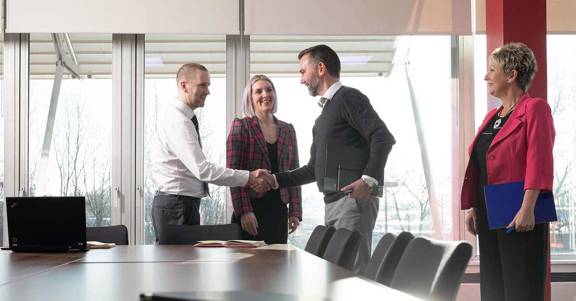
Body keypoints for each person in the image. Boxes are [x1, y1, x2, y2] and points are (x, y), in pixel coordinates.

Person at [273, 45, 395, 271]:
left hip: (352, 202)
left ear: (320, 68)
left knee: (352, 273)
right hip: (333, 203)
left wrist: (369, 180)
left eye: (302, 71)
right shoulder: (323, 117)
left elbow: (383, 136)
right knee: (338, 274)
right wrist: (273, 180)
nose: (301, 79)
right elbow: (312, 169)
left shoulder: (348, 97)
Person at [461, 43, 555, 301]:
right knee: (493, 287)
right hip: (489, 210)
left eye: (492, 70)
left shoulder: (535, 109)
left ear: (511, 75)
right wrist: (474, 207)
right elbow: (482, 162)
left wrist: (527, 209)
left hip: (519, 212)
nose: (486, 77)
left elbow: (540, 161)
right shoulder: (493, 116)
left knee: (520, 288)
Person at [152, 63, 273, 242]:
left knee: (186, 267)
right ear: (183, 85)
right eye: (202, 85)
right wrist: (249, 177)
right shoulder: (179, 121)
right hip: (176, 206)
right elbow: (203, 170)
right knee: (177, 268)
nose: (208, 91)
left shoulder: (184, 118)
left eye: (208, 85)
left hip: (181, 205)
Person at [226, 74, 302, 244]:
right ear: (250, 99)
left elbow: (295, 173)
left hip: (279, 211)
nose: (265, 95)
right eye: (258, 91)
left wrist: (295, 211)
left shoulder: (288, 129)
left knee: (276, 266)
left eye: (269, 90)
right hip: (251, 211)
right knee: (247, 268)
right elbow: (233, 173)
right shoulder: (241, 126)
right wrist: (244, 211)